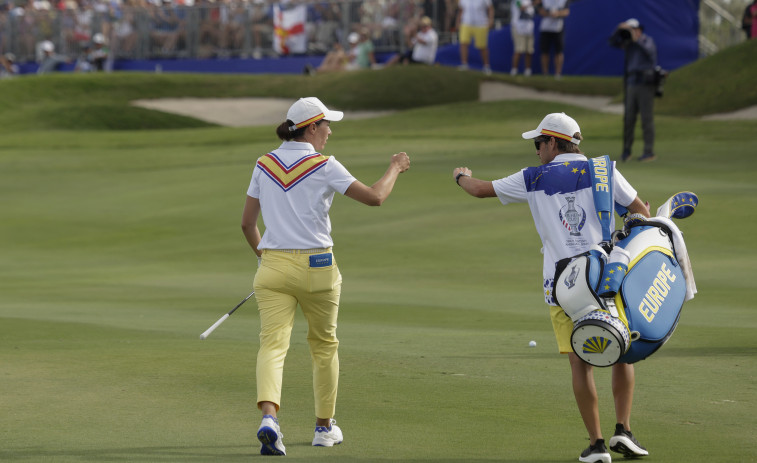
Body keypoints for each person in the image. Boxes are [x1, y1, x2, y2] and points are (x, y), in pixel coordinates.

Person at [453, 112, 651, 463]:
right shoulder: (602, 170)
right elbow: (639, 212)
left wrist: (460, 176)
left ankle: (597, 445)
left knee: (580, 362)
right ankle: (625, 429)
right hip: (608, 279)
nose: (536, 151)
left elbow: (480, 190)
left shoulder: (533, 178)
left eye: (538, 143)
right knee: (621, 351)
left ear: (554, 143)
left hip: (563, 287)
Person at [241, 97, 410, 456]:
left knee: (272, 346)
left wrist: (266, 258)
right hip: (318, 267)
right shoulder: (324, 165)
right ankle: (323, 427)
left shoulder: (264, 163)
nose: (330, 132)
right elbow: (376, 197)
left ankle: (269, 418)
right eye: (327, 125)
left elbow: (247, 223)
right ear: (312, 127)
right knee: (324, 346)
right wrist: (395, 167)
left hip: (272, 266)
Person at [611, 18, 657, 162]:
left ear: (639, 30)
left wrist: (635, 38)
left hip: (645, 83)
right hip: (631, 83)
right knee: (628, 119)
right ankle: (626, 151)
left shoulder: (646, 40)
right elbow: (612, 42)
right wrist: (618, 30)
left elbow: (649, 52)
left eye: (633, 29)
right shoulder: (628, 44)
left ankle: (648, 152)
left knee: (646, 119)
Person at [456, 0, 494, 75]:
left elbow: (490, 8)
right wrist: (458, 21)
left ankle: (486, 66)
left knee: (482, 46)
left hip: (481, 24)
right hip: (466, 22)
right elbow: (461, 10)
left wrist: (491, 20)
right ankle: (464, 64)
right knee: (463, 43)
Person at [537, 0, 569, 79]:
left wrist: (557, 14)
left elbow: (566, 12)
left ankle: (558, 74)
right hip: (545, 28)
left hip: (558, 28)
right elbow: (540, 11)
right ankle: (545, 73)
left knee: (559, 52)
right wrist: (549, 14)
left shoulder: (563, 1)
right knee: (545, 52)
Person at [510, 0, 535, 76]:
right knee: (519, 49)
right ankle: (514, 70)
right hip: (518, 27)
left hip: (528, 28)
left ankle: (527, 70)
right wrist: (534, 3)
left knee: (529, 50)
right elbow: (521, 7)